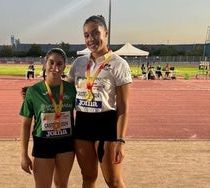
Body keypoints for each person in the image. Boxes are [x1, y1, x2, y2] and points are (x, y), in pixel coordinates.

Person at [66, 15, 132, 188]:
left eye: (96, 33)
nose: (91, 39)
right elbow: (62, 88)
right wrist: (36, 90)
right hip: (82, 124)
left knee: (114, 181)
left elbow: (124, 107)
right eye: (86, 35)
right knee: (88, 178)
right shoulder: (79, 63)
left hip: (106, 124)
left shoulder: (119, 64)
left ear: (106, 33)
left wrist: (120, 140)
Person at [19, 48, 76, 188]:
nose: (55, 68)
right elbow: (26, 124)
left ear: (64, 67)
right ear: (45, 64)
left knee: (62, 185)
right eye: (51, 63)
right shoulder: (33, 91)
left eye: (59, 64)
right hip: (43, 143)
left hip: (66, 143)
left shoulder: (71, 89)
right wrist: (23, 155)